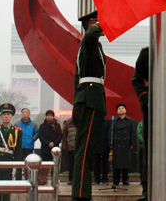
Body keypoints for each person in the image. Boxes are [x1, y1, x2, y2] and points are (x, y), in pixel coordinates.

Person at [132, 16, 166, 201]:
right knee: (150, 150)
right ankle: (147, 191)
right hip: (151, 107)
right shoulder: (146, 53)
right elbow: (137, 80)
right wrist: (147, 101)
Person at [72, 11, 107, 201]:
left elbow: (75, 80)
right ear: (90, 24)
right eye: (98, 22)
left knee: (87, 150)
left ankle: (83, 193)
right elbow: (91, 34)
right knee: (84, 150)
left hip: (89, 97)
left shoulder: (93, 46)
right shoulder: (88, 42)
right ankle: (81, 195)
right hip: (89, 99)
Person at [109, 103, 136, 187]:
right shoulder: (114, 121)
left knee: (125, 164)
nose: (121, 109)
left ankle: (125, 180)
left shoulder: (130, 121)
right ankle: (115, 181)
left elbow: (133, 133)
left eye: (122, 108)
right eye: (119, 108)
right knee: (116, 164)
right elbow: (110, 133)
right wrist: (110, 143)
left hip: (126, 144)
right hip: (117, 144)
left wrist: (132, 144)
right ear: (117, 111)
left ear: (125, 110)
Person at [15, 107, 38, 180]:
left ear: (29, 114)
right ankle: (18, 180)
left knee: (29, 164)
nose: (25, 114)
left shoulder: (33, 124)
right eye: (23, 112)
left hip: (29, 147)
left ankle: (28, 179)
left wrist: (33, 139)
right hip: (19, 147)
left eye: (26, 112)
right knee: (19, 164)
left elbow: (37, 133)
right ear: (21, 114)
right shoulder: (17, 124)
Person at [62, 117, 77, 185]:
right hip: (70, 147)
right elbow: (64, 136)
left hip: (79, 148)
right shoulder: (68, 123)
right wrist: (65, 146)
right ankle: (71, 179)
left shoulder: (82, 122)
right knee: (71, 165)